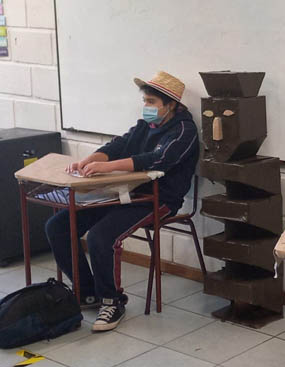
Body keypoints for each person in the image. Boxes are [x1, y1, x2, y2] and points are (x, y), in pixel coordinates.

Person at [45, 71, 199, 332]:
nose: (146, 106)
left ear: (171, 104)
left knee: (100, 236)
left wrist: (107, 167)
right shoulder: (146, 125)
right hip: (126, 192)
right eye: (145, 101)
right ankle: (88, 293)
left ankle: (112, 302)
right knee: (58, 226)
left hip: (159, 199)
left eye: (152, 102)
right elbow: (119, 145)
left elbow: (158, 159)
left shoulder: (185, 130)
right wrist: (90, 160)